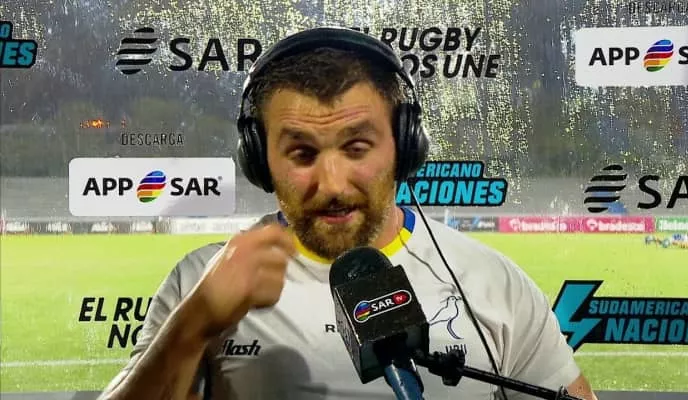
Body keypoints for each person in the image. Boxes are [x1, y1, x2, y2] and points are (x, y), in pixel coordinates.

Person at [99, 27, 598, 400]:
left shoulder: (494, 283)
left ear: (404, 146)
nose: (333, 185)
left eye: (357, 147)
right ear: (259, 160)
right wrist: (193, 324)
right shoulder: (202, 280)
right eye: (301, 153)